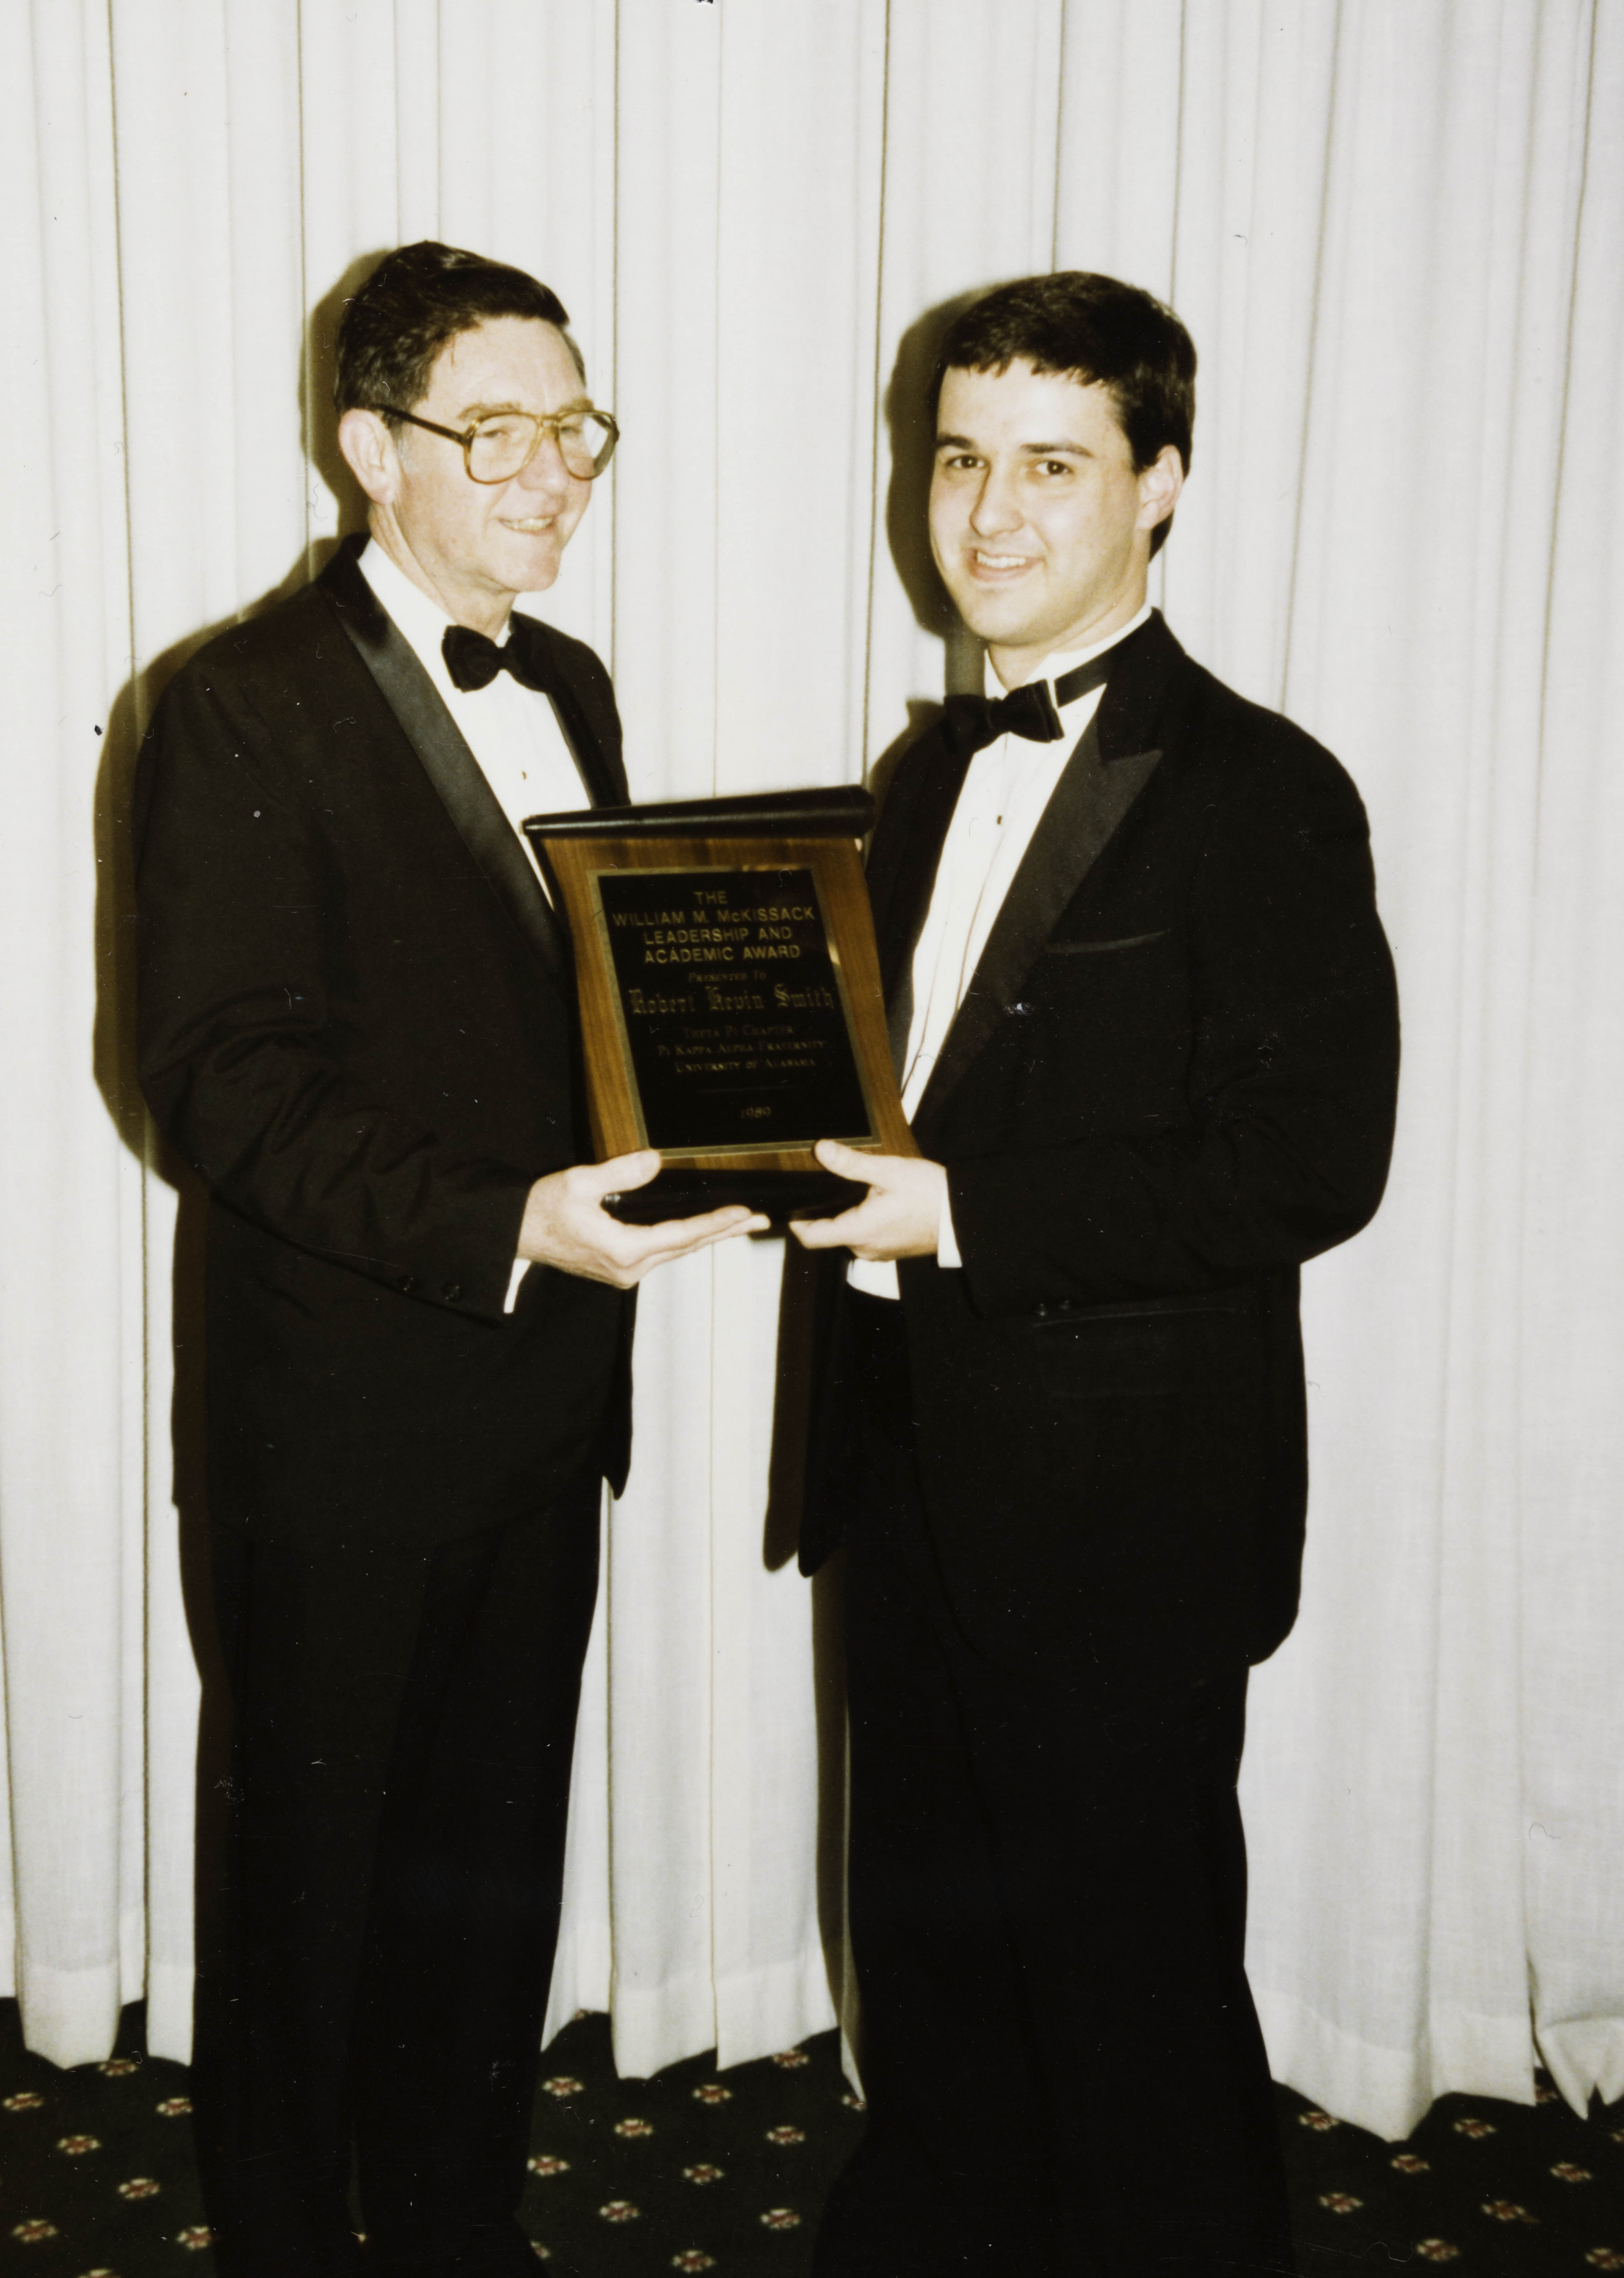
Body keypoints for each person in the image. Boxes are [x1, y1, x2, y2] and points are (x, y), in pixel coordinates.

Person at [133, 240, 763, 2278]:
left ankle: (456, 2234)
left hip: (540, 1403)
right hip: (335, 1428)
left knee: (487, 1897)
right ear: (366, 449)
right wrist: (504, 1225)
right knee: (308, 1912)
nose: (552, 472)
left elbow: (564, 1017)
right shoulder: (234, 700)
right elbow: (214, 1084)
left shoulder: (566, 681)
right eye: (494, 431)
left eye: (574, 427)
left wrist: (708, 1138)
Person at [792, 272, 1399, 2276]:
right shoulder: (910, 785)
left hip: (1120, 1513)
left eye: (1049, 466)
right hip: (903, 1468)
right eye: (959, 458)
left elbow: (1311, 1163)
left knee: (1129, 2005)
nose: (985, 513)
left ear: (1159, 487)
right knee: (934, 1969)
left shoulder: (1262, 790)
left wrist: (954, 1213)